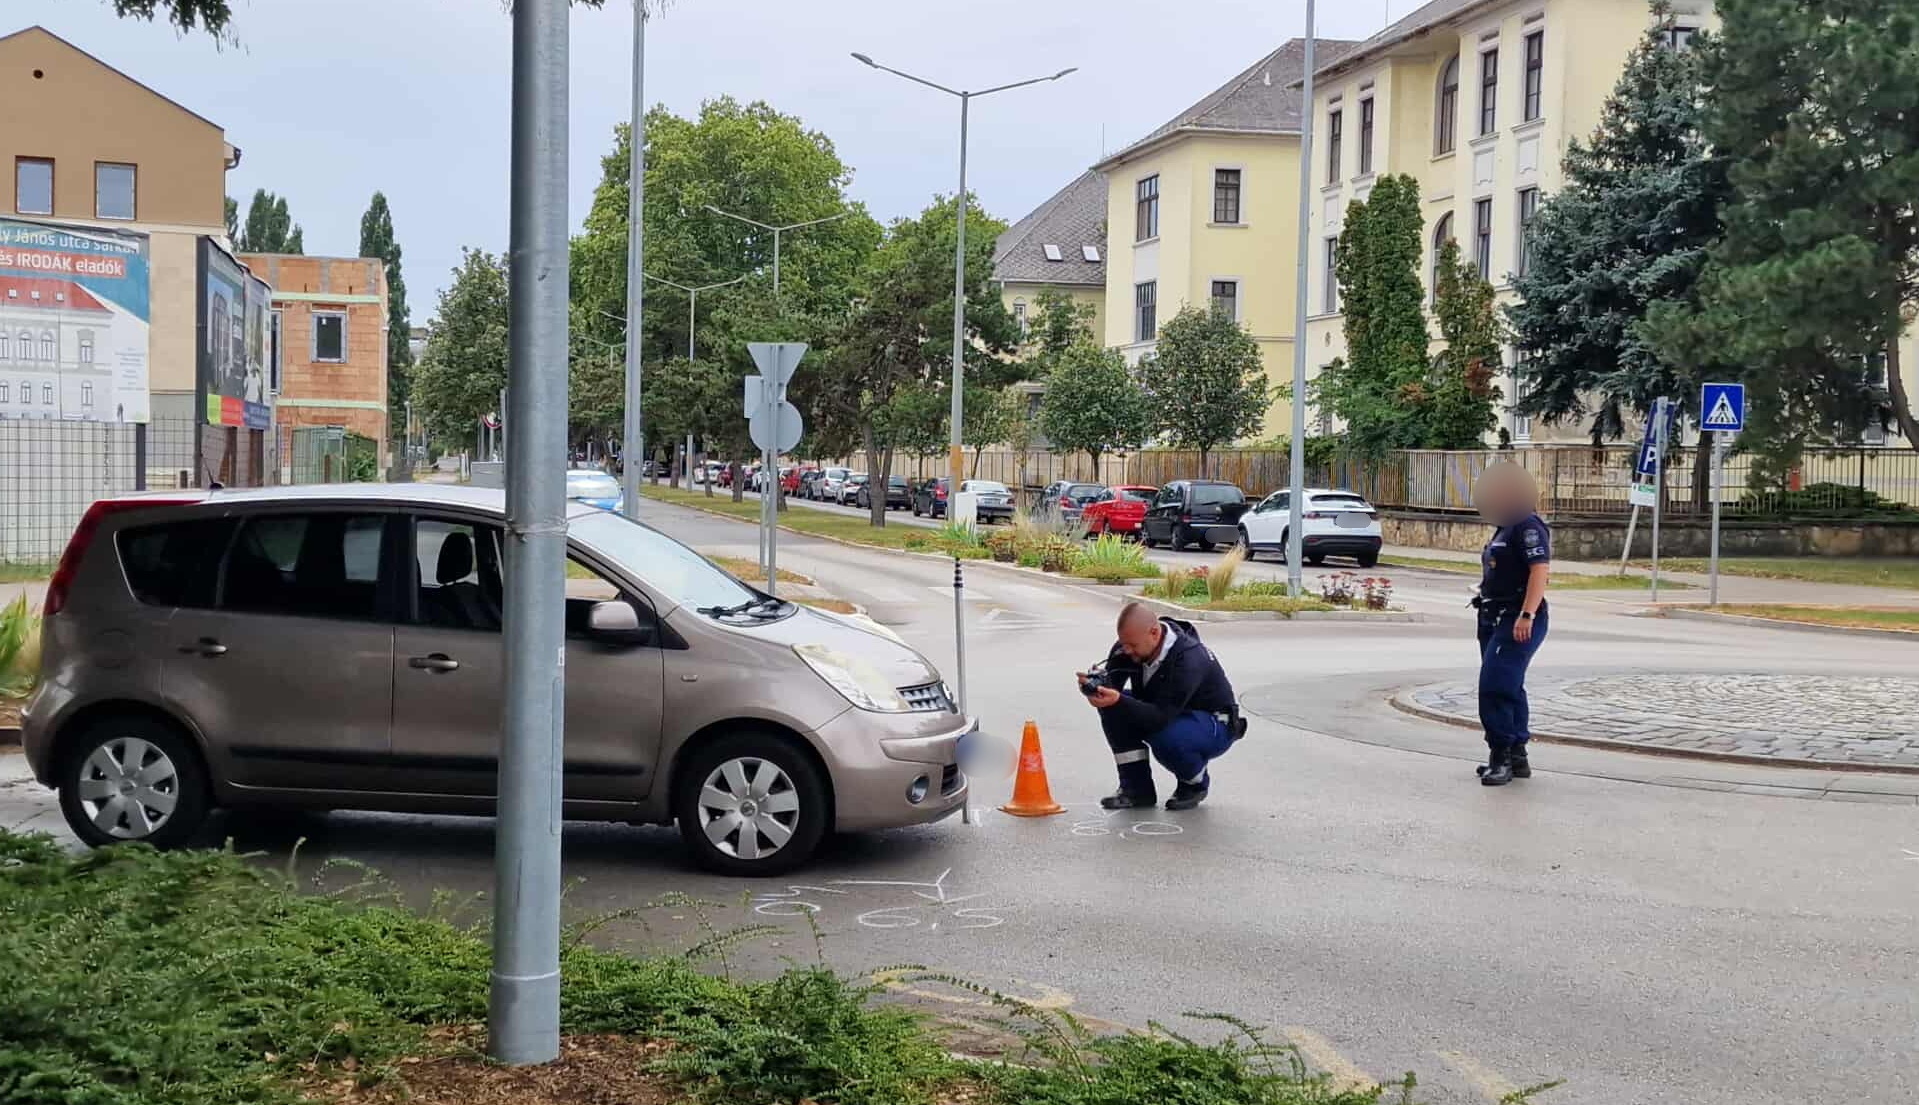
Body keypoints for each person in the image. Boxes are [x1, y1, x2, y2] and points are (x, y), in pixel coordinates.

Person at [1078, 602, 1244, 810]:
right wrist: (1096, 687)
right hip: (1169, 712)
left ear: (1155, 633)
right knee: (1113, 708)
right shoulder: (1129, 645)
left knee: (1165, 735)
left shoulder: (1189, 658)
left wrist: (1117, 700)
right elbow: (1114, 689)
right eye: (1123, 644)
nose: (1126, 650)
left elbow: (1159, 717)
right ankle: (1136, 789)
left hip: (1214, 723)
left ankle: (1194, 783)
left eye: (1133, 646)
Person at [1471, 462, 1551, 787]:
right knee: (1509, 684)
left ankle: (1500, 756)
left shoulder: (1528, 525)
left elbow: (1539, 570)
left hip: (1517, 616)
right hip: (1492, 613)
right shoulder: (1504, 526)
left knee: (1495, 685)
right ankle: (1518, 754)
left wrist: (1527, 614)